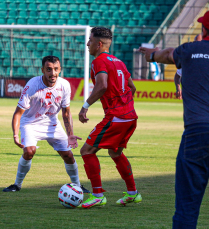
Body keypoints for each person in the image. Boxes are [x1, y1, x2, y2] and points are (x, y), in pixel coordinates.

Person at [138, 9, 209, 228]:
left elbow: (168, 54)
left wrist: (152, 54)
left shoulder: (190, 49)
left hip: (199, 132)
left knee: (187, 208)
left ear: (204, 29)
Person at [3, 56, 90, 194]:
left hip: (52, 123)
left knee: (68, 155)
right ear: (42, 70)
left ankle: (77, 185)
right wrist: (15, 134)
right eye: (49, 69)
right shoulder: (32, 85)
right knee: (29, 152)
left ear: (60, 70)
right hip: (30, 123)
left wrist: (70, 134)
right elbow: (18, 113)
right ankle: (17, 185)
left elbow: (66, 113)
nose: (53, 73)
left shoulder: (64, 85)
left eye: (56, 69)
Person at [78, 27, 142, 209]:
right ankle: (132, 193)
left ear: (99, 44)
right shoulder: (119, 61)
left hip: (117, 117)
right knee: (115, 152)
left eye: (90, 40)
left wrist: (85, 106)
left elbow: (102, 85)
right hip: (130, 116)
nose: (87, 44)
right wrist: (125, 105)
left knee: (87, 151)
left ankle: (97, 195)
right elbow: (132, 87)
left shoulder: (99, 61)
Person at [174, 34, 202, 100]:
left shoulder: (208, 58)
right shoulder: (187, 58)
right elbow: (177, 76)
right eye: (195, 42)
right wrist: (178, 88)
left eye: (199, 43)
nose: (197, 45)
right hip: (190, 95)